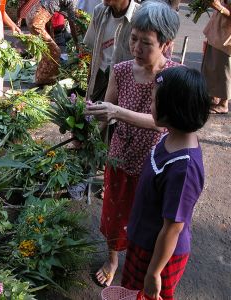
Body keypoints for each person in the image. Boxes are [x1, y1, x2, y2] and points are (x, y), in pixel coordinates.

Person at [84, 0, 179, 287]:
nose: (136, 48)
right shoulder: (122, 69)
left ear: (166, 44)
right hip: (120, 155)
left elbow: (163, 121)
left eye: (146, 43)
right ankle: (113, 258)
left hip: (154, 163)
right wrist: (85, 128)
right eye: (133, 39)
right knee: (114, 213)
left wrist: (117, 113)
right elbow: (107, 108)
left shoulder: (172, 76)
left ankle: (143, 262)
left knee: (147, 218)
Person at [122, 66, 211, 299]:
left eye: (153, 100)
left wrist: (153, 273)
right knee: (132, 291)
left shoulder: (184, 168)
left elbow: (173, 228)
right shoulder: (169, 135)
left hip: (158, 255)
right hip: (145, 239)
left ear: (172, 110)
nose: (149, 105)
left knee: (145, 294)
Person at [84, 0, 139, 102]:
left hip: (126, 84)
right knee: (94, 115)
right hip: (99, 77)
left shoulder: (139, 16)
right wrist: (90, 80)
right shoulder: (99, 11)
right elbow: (94, 49)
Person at [25, 0, 79, 85]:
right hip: (36, 23)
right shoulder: (73, 1)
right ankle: (46, 80)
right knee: (55, 51)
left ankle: (41, 78)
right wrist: (77, 43)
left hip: (33, 16)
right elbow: (73, 23)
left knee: (47, 51)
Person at [201, 0, 231, 114]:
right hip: (217, 30)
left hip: (226, 34)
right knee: (212, 64)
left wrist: (219, 7)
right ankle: (214, 96)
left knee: (224, 68)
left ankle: (224, 104)